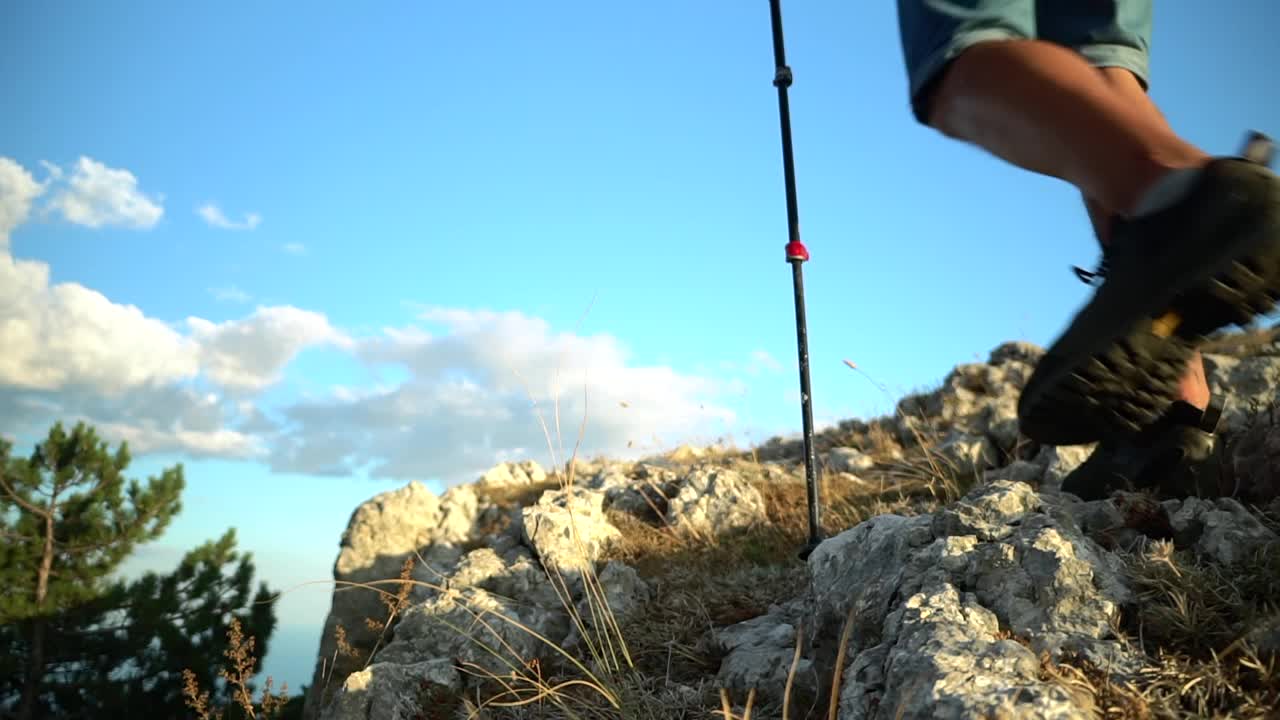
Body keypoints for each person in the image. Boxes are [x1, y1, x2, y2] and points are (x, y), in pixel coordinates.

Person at [894, 1, 1280, 499]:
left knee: (957, 60)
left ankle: (1194, 195)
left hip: (1206, 196)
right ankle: (1174, 415)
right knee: (1104, 66)